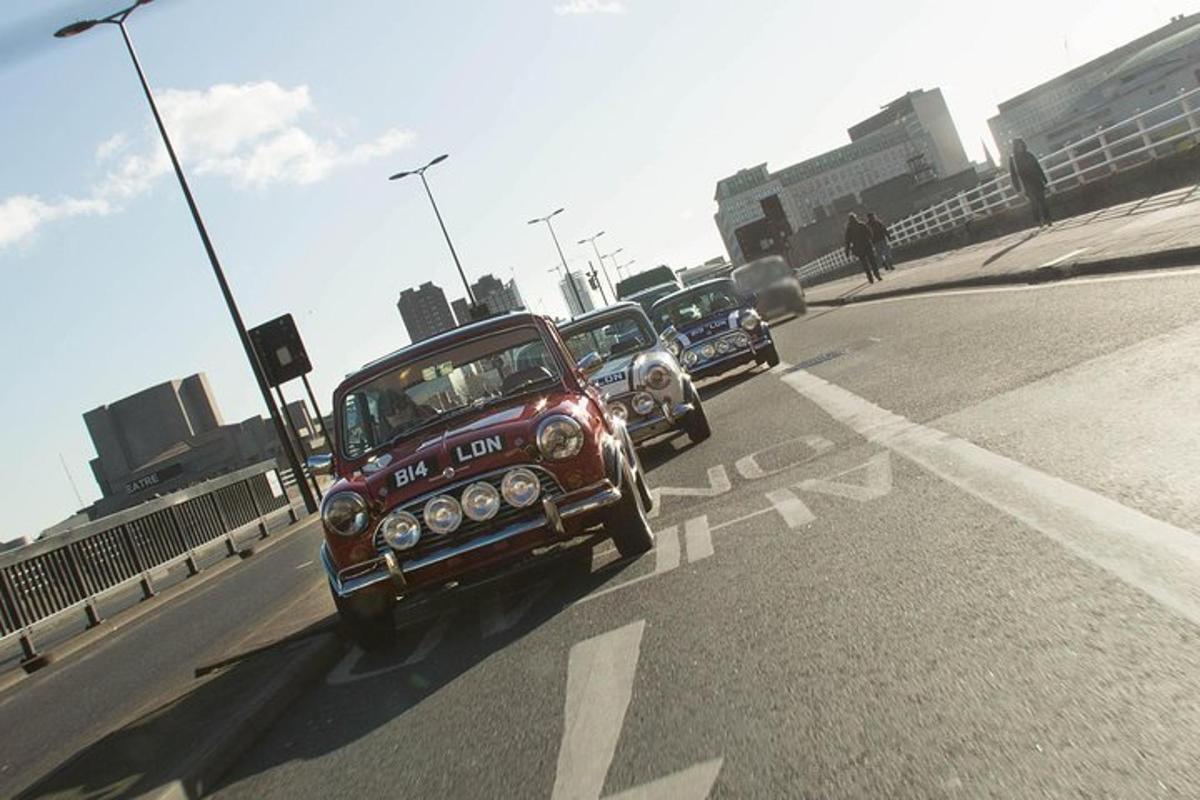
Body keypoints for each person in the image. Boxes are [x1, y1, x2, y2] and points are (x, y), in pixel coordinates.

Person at [1008, 138, 1052, 228]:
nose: (1020, 147)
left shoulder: (1029, 155)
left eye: (1021, 145)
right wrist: (1017, 188)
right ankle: (1038, 221)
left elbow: (1037, 167)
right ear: (1015, 147)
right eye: (1018, 145)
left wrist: (1044, 179)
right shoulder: (1013, 159)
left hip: (1036, 180)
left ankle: (1048, 219)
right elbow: (1013, 175)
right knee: (1034, 202)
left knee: (1043, 201)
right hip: (1026, 184)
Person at [844, 213, 882, 284]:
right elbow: (870, 233)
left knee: (865, 264)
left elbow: (847, 241)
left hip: (859, 248)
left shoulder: (849, 229)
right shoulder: (861, 225)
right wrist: (870, 240)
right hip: (867, 245)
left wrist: (847, 251)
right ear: (856, 218)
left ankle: (870, 277)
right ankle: (877, 275)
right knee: (872, 261)